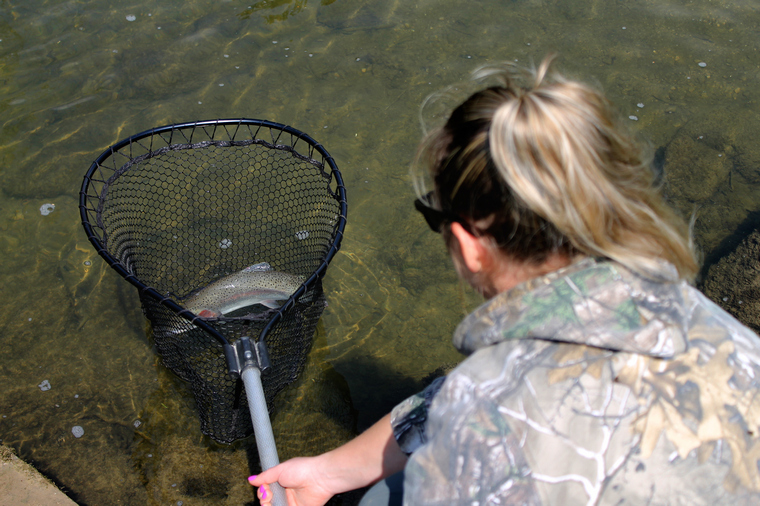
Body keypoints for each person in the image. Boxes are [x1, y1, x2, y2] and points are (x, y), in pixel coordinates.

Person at [250, 56, 760, 505]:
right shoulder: (706, 324)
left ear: (470, 246)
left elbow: (492, 400)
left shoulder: (486, 432)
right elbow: (475, 389)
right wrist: (325, 473)